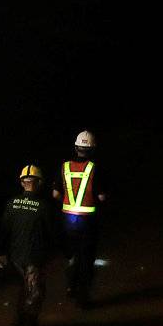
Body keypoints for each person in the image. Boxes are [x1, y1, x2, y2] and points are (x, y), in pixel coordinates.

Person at [0, 165, 53, 326]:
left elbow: (4, 230)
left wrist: (1, 253)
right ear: (39, 183)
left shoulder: (11, 203)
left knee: (22, 291)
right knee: (34, 293)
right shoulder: (43, 206)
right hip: (33, 258)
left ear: (22, 182)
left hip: (15, 257)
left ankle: (18, 325)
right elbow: (51, 232)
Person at [59, 129, 105, 306]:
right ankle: (83, 297)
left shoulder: (64, 167)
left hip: (68, 221)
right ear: (92, 149)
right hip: (88, 221)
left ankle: (70, 285)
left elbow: (56, 193)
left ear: (76, 147)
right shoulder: (94, 168)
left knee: (72, 255)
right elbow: (101, 197)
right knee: (86, 258)